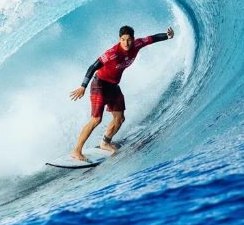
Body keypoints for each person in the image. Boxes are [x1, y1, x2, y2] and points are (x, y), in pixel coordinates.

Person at [69, 25, 174, 162]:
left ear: (133, 39)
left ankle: (105, 143)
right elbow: (93, 67)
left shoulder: (137, 44)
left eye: (129, 39)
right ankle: (76, 151)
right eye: (123, 40)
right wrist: (83, 86)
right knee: (96, 120)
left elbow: (152, 38)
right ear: (119, 39)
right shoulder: (112, 53)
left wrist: (168, 36)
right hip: (99, 85)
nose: (126, 43)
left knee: (119, 119)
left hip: (113, 86)